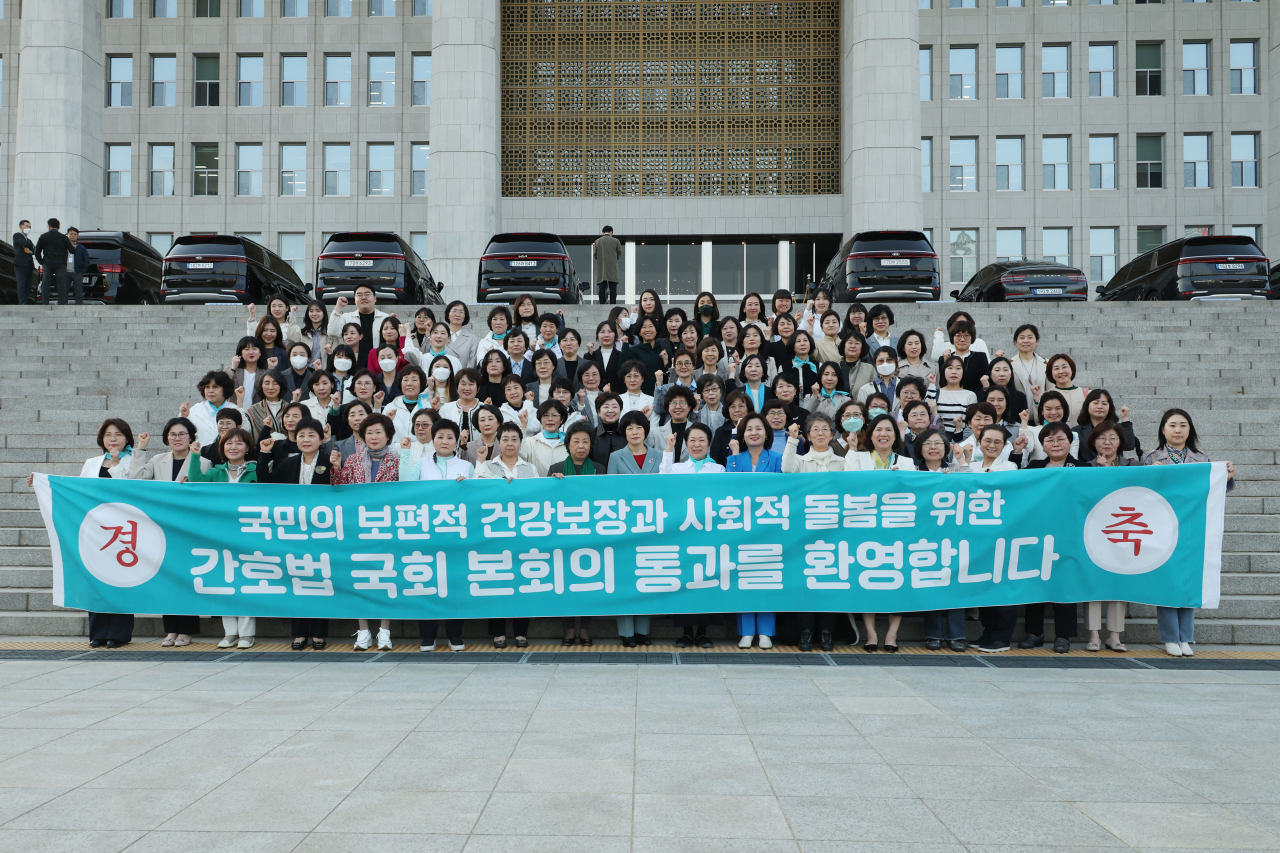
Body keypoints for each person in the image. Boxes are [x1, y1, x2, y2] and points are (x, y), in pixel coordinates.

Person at [1141, 408, 1236, 656]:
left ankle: (1186, 637)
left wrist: (1226, 479)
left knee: (1189, 581)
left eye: (1183, 425)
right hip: (1161, 529)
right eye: (1172, 425)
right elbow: (1142, 495)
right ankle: (1171, 637)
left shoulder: (1202, 459)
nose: (1177, 430)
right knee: (1167, 582)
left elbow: (1212, 496)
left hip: (1193, 529)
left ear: (1189, 430)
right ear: (1163, 429)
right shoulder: (1151, 458)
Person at [325, 286, 389, 365]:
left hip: (378, 363)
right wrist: (338, 306)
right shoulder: (347, 317)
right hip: (353, 362)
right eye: (359, 295)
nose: (363, 298)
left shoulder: (385, 318)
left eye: (367, 294)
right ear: (355, 300)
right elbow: (332, 332)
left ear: (375, 298)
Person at [130, 416, 202, 483]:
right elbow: (137, 478)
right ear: (167, 438)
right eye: (173, 434)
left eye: (182, 434)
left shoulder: (204, 463)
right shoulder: (157, 460)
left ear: (191, 437)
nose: (177, 438)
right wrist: (141, 446)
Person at [400, 418, 474, 481]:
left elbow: (474, 493)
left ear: (456, 443)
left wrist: (466, 486)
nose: (444, 442)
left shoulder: (467, 467)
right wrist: (405, 451)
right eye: (440, 437)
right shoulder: (422, 464)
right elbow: (405, 483)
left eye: (450, 438)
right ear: (432, 440)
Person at [1075, 389, 1135, 464]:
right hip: (1087, 472)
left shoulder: (1116, 428)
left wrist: (1125, 418)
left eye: (1104, 404)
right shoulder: (1077, 431)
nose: (1100, 406)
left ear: (1109, 407)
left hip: (1115, 469)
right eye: (1096, 403)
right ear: (1087, 405)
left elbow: (1129, 446)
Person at [845, 413, 916, 471]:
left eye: (888, 430)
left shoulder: (907, 463)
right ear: (870, 435)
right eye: (878, 430)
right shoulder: (858, 458)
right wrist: (852, 448)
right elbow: (849, 480)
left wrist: (899, 478)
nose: (883, 434)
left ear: (895, 435)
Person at [520, 400, 570, 475]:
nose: (550, 419)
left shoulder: (570, 443)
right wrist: (523, 425)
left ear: (562, 419)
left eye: (554, 415)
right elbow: (519, 455)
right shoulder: (531, 442)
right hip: (538, 485)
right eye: (545, 415)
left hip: (563, 485)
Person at [1009, 324, 1047, 421]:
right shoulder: (1009, 365)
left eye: (1030, 337)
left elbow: (1051, 390)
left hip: (1042, 417)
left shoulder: (1046, 363)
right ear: (1015, 341)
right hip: (1017, 417)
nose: (1026, 341)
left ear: (1036, 341)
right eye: (1022, 337)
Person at [34, 218, 75, 305]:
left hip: (48, 263)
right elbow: (72, 251)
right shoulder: (63, 237)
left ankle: (45, 303)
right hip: (60, 264)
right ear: (59, 227)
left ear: (48, 226)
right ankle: (61, 303)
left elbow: (37, 251)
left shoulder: (43, 236)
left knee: (46, 283)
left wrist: (42, 261)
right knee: (61, 284)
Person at [1045, 353, 1087, 424]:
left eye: (1064, 367)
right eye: (1056, 368)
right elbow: (1039, 421)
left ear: (1072, 369)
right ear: (1050, 373)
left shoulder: (1085, 394)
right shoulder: (1047, 395)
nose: (1061, 371)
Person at [593, 225, 623, 304]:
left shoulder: (597, 241)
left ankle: (602, 304)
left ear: (603, 232)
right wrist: (613, 258)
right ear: (611, 232)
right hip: (612, 267)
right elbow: (619, 253)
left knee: (602, 288)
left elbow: (595, 255)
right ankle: (613, 304)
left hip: (601, 267)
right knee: (613, 288)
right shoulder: (616, 241)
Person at [12, 219, 35, 304]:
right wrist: (30, 246)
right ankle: (22, 302)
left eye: (29, 226)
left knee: (28, 285)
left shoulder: (28, 240)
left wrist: (31, 252)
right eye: (26, 226)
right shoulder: (17, 235)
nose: (28, 228)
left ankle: (25, 301)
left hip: (29, 265)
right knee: (22, 284)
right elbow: (26, 244)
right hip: (20, 264)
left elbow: (35, 249)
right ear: (21, 227)